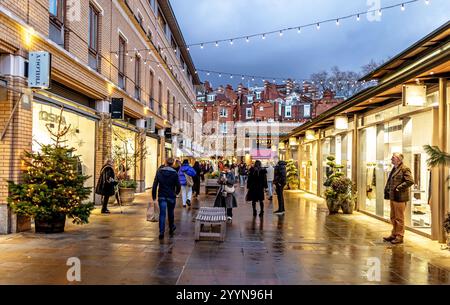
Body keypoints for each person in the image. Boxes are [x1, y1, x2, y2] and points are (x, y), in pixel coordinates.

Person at [383, 153, 414, 244]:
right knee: (393, 217)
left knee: (399, 218)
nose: (391, 159)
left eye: (393, 158)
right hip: (393, 197)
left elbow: (410, 181)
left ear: (398, 159)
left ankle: (400, 236)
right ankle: (394, 234)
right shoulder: (394, 168)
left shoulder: (404, 168)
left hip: (400, 197)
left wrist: (398, 188)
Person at [152, 158, 181, 240]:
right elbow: (178, 185)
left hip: (162, 195)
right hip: (171, 195)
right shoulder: (175, 173)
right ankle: (171, 227)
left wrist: (154, 197)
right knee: (171, 212)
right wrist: (176, 193)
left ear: (165, 163)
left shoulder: (159, 171)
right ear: (172, 164)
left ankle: (161, 232)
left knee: (162, 214)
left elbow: (155, 185)